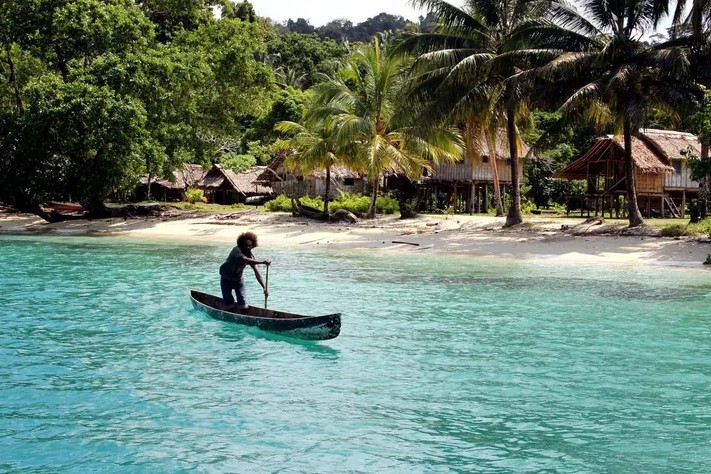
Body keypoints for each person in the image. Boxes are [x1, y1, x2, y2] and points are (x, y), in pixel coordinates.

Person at [219, 232, 271, 310]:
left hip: (238, 279)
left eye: (249, 245)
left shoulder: (251, 256)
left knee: (243, 305)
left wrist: (264, 287)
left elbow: (257, 272)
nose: (247, 247)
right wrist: (263, 262)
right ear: (241, 244)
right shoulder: (236, 250)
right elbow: (245, 259)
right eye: (245, 245)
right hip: (226, 277)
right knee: (229, 304)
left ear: (252, 246)